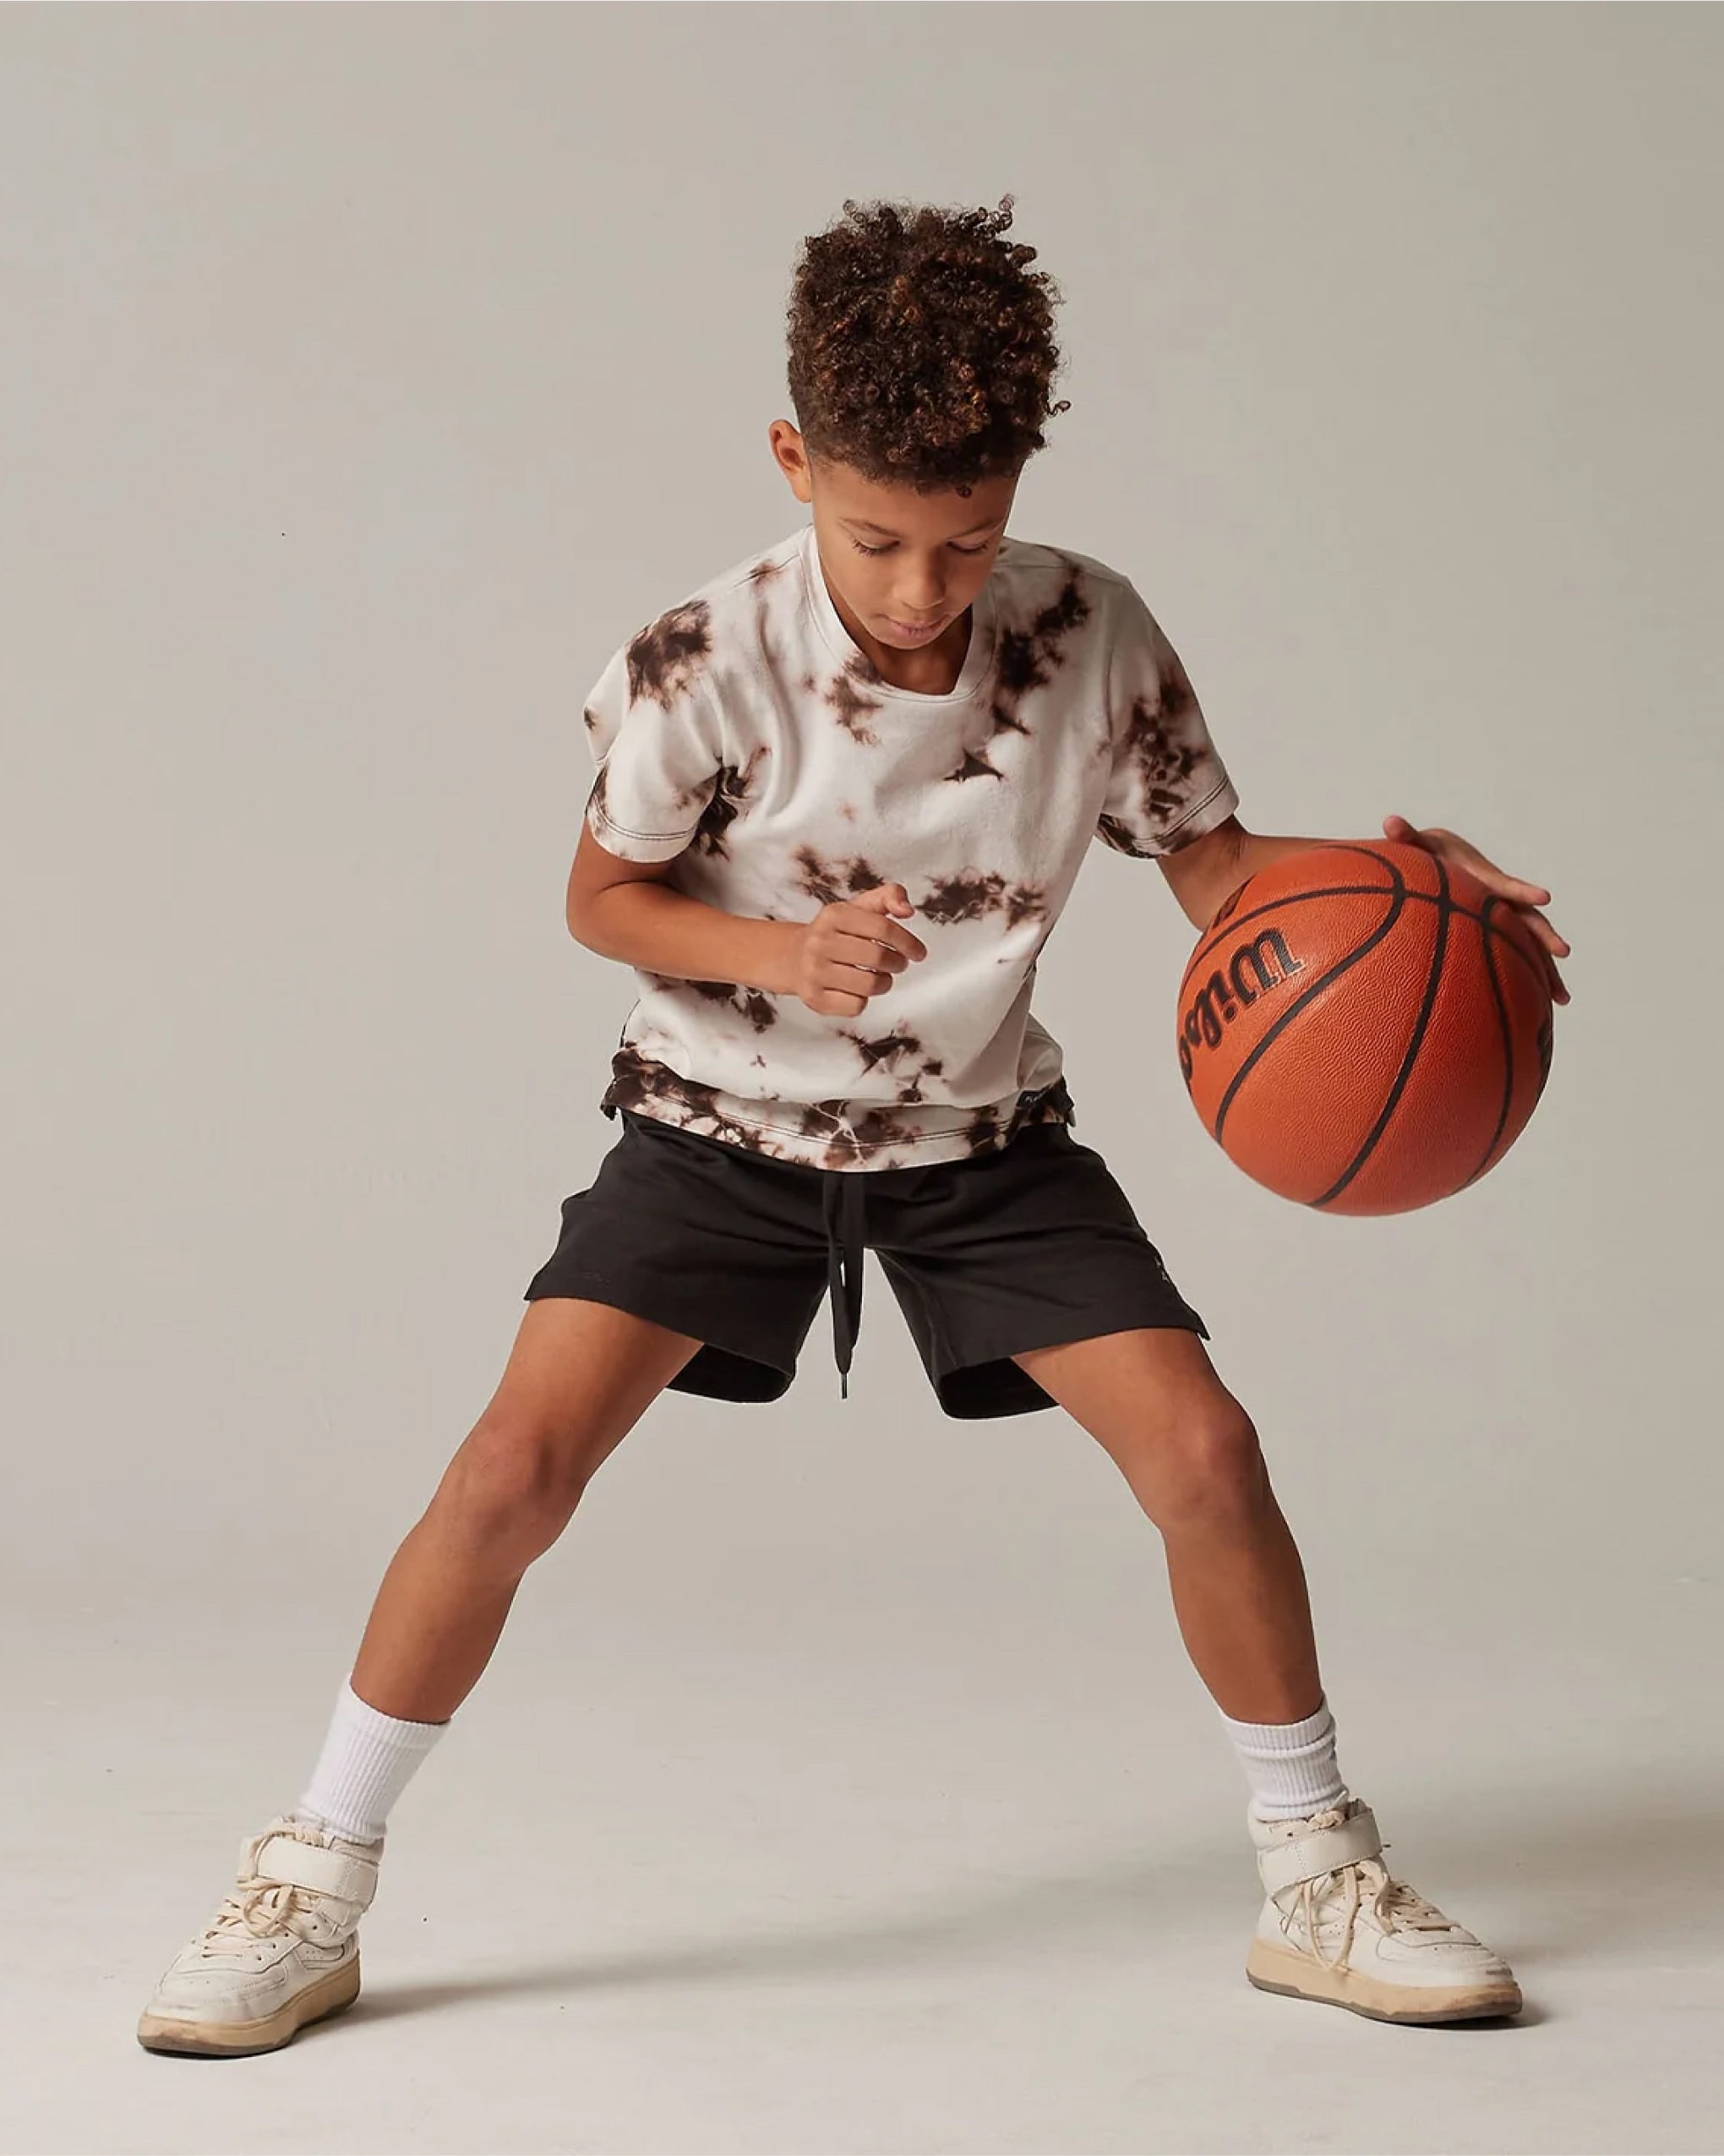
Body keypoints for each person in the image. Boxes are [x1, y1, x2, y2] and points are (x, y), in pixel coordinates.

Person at [139, 196, 1571, 2059]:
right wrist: (777, 952)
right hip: (715, 1129)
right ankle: (309, 1885)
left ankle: (1320, 1879)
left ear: (1019, 486)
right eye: (878, 537)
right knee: (509, 1475)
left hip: (982, 1143)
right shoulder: (703, 656)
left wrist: (1397, 880)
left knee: (1209, 1453)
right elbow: (599, 898)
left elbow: (1217, 871)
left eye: (965, 538)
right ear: (794, 460)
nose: (919, 587)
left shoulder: (1089, 629)